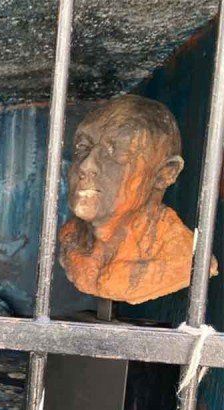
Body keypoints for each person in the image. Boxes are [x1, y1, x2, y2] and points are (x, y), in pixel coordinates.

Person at [59, 95, 218, 304]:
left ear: (165, 173)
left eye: (115, 152)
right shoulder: (71, 238)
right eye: (83, 147)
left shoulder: (185, 258)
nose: (86, 166)